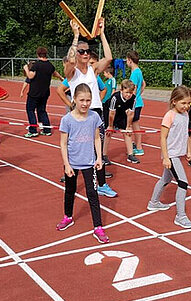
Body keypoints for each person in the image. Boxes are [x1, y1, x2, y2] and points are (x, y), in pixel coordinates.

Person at [63, 18, 117, 198]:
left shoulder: (93, 70)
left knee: (97, 150)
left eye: (87, 51)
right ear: (77, 53)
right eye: (82, 51)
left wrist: (102, 34)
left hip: (95, 113)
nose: (85, 54)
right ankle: (69, 172)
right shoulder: (72, 73)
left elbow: (109, 57)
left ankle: (101, 184)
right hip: (79, 114)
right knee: (75, 146)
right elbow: (70, 61)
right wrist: (76, 35)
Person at [57, 83, 109, 244]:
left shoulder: (94, 117)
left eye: (88, 100)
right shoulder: (67, 120)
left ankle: (98, 227)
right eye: (82, 100)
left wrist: (99, 158)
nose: (85, 103)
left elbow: (96, 138)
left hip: (89, 163)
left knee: (92, 194)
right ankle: (68, 217)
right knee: (70, 191)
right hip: (72, 162)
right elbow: (63, 144)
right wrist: (66, 164)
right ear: (74, 99)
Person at [147, 86, 191, 229]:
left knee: (166, 179)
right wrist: (166, 157)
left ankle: (153, 203)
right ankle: (181, 216)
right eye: (183, 103)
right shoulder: (169, 115)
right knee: (183, 183)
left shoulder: (185, 114)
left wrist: (188, 151)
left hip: (177, 154)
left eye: (188, 103)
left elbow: (184, 135)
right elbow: (163, 137)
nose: (186, 106)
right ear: (174, 101)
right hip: (171, 155)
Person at [23, 47, 62, 138]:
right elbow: (55, 73)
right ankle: (46, 129)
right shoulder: (50, 65)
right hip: (45, 92)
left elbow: (30, 76)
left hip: (34, 92)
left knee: (30, 110)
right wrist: (61, 78)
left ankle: (33, 130)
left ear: (38, 54)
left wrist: (26, 69)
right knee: (42, 110)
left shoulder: (36, 65)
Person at [104, 79, 139, 164]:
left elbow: (131, 114)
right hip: (108, 112)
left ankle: (130, 155)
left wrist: (128, 126)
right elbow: (112, 113)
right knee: (108, 132)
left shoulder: (133, 99)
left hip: (121, 112)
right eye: (126, 92)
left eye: (130, 93)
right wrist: (110, 126)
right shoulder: (115, 98)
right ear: (121, 90)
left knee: (127, 132)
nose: (128, 95)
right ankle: (104, 155)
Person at [126, 50, 146, 156]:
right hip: (138, 102)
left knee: (133, 125)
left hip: (134, 104)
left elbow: (133, 89)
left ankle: (139, 147)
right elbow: (143, 84)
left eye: (126, 60)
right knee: (135, 124)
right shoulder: (139, 71)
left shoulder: (134, 74)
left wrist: (131, 101)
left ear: (130, 60)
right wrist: (139, 95)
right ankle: (137, 145)